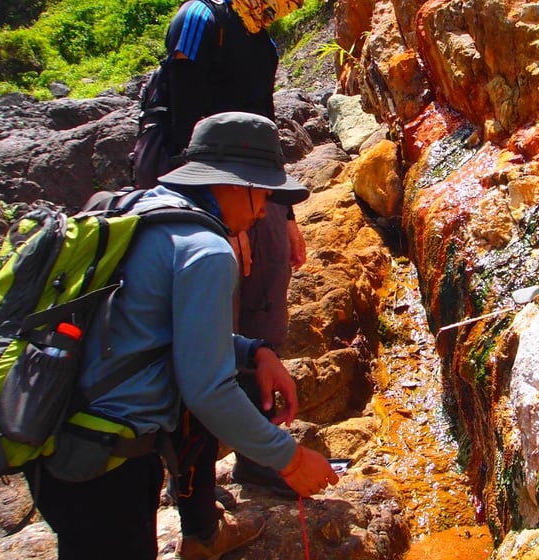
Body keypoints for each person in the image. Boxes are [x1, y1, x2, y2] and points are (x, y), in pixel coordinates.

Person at [26, 112, 338, 560]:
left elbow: (154, 329)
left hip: (54, 432)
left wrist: (256, 350)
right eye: (264, 193)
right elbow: (208, 389)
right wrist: (288, 459)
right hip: (109, 462)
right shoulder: (207, 250)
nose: (262, 209)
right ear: (235, 184)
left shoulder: (133, 209)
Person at [158, 0, 309, 507]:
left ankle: (259, 457)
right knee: (207, 331)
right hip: (197, 192)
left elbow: (263, 130)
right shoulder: (201, 19)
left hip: (247, 192)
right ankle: (194, 491)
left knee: (265, 308)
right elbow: (184, 124)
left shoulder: (263, 39)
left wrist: (282, 213)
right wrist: (222, 222)